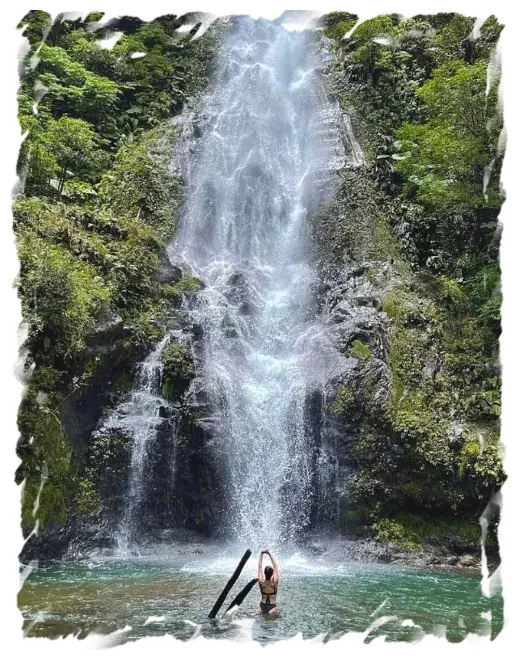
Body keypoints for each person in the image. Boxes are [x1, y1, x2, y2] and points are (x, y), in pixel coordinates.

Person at [257, 548, 279, 615]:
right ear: (272, 573)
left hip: (262, 606)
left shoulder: (261, 582)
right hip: (272, 608)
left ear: (264, 573)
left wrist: (261, 554)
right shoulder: (275, 582)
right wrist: (269, 553)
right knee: (271, 623)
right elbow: (275, 566)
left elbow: (260, 567)